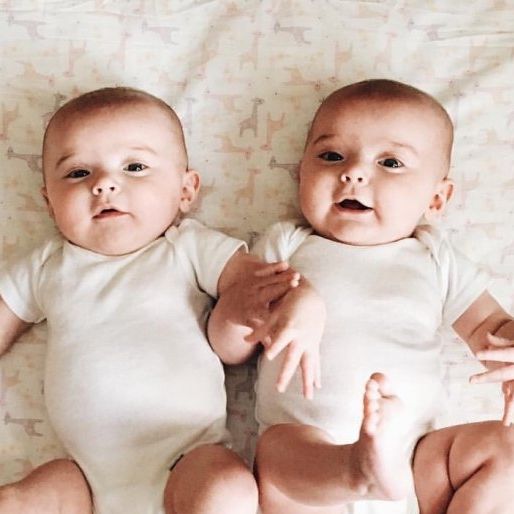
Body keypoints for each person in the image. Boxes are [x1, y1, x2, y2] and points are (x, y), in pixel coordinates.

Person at [0, 86, 319, 514]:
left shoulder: (186, 247)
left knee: (227, 489)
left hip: (186, 459)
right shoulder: (45, 266)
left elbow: (265, 283)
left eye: (134, 167)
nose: (104, 184)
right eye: (77, 173)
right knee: (18, 501)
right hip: (88, 479)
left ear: (185, 190)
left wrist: (304, 302)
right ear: (49, 202)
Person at [252, 79, 514, 514]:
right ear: (301, 173)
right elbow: (236, 322)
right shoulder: (287, 246)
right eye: (331, 156)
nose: (353, 173)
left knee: (505, 448)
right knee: (277, 451)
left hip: (416, 465)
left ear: (436, 199)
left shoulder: (435, 258)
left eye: (390, 162)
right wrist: (278, 306)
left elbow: (491, 327)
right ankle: (354, 470)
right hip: (311, 459)